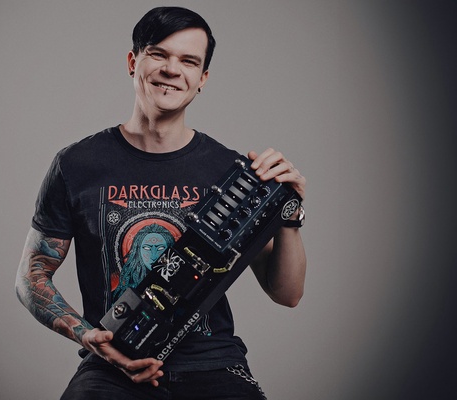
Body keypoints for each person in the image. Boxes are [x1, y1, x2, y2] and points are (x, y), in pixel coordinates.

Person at [16, 6, 306, 400]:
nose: (172, 70)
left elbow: (286, 293)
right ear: (133, 62)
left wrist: (289, 213)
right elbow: (32, 276)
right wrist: (87, 336)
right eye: (159, 54)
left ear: (202, 79)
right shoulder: (76, 164)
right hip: (114, 361)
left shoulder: (231, 171)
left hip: (213, 362)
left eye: (188, 61)